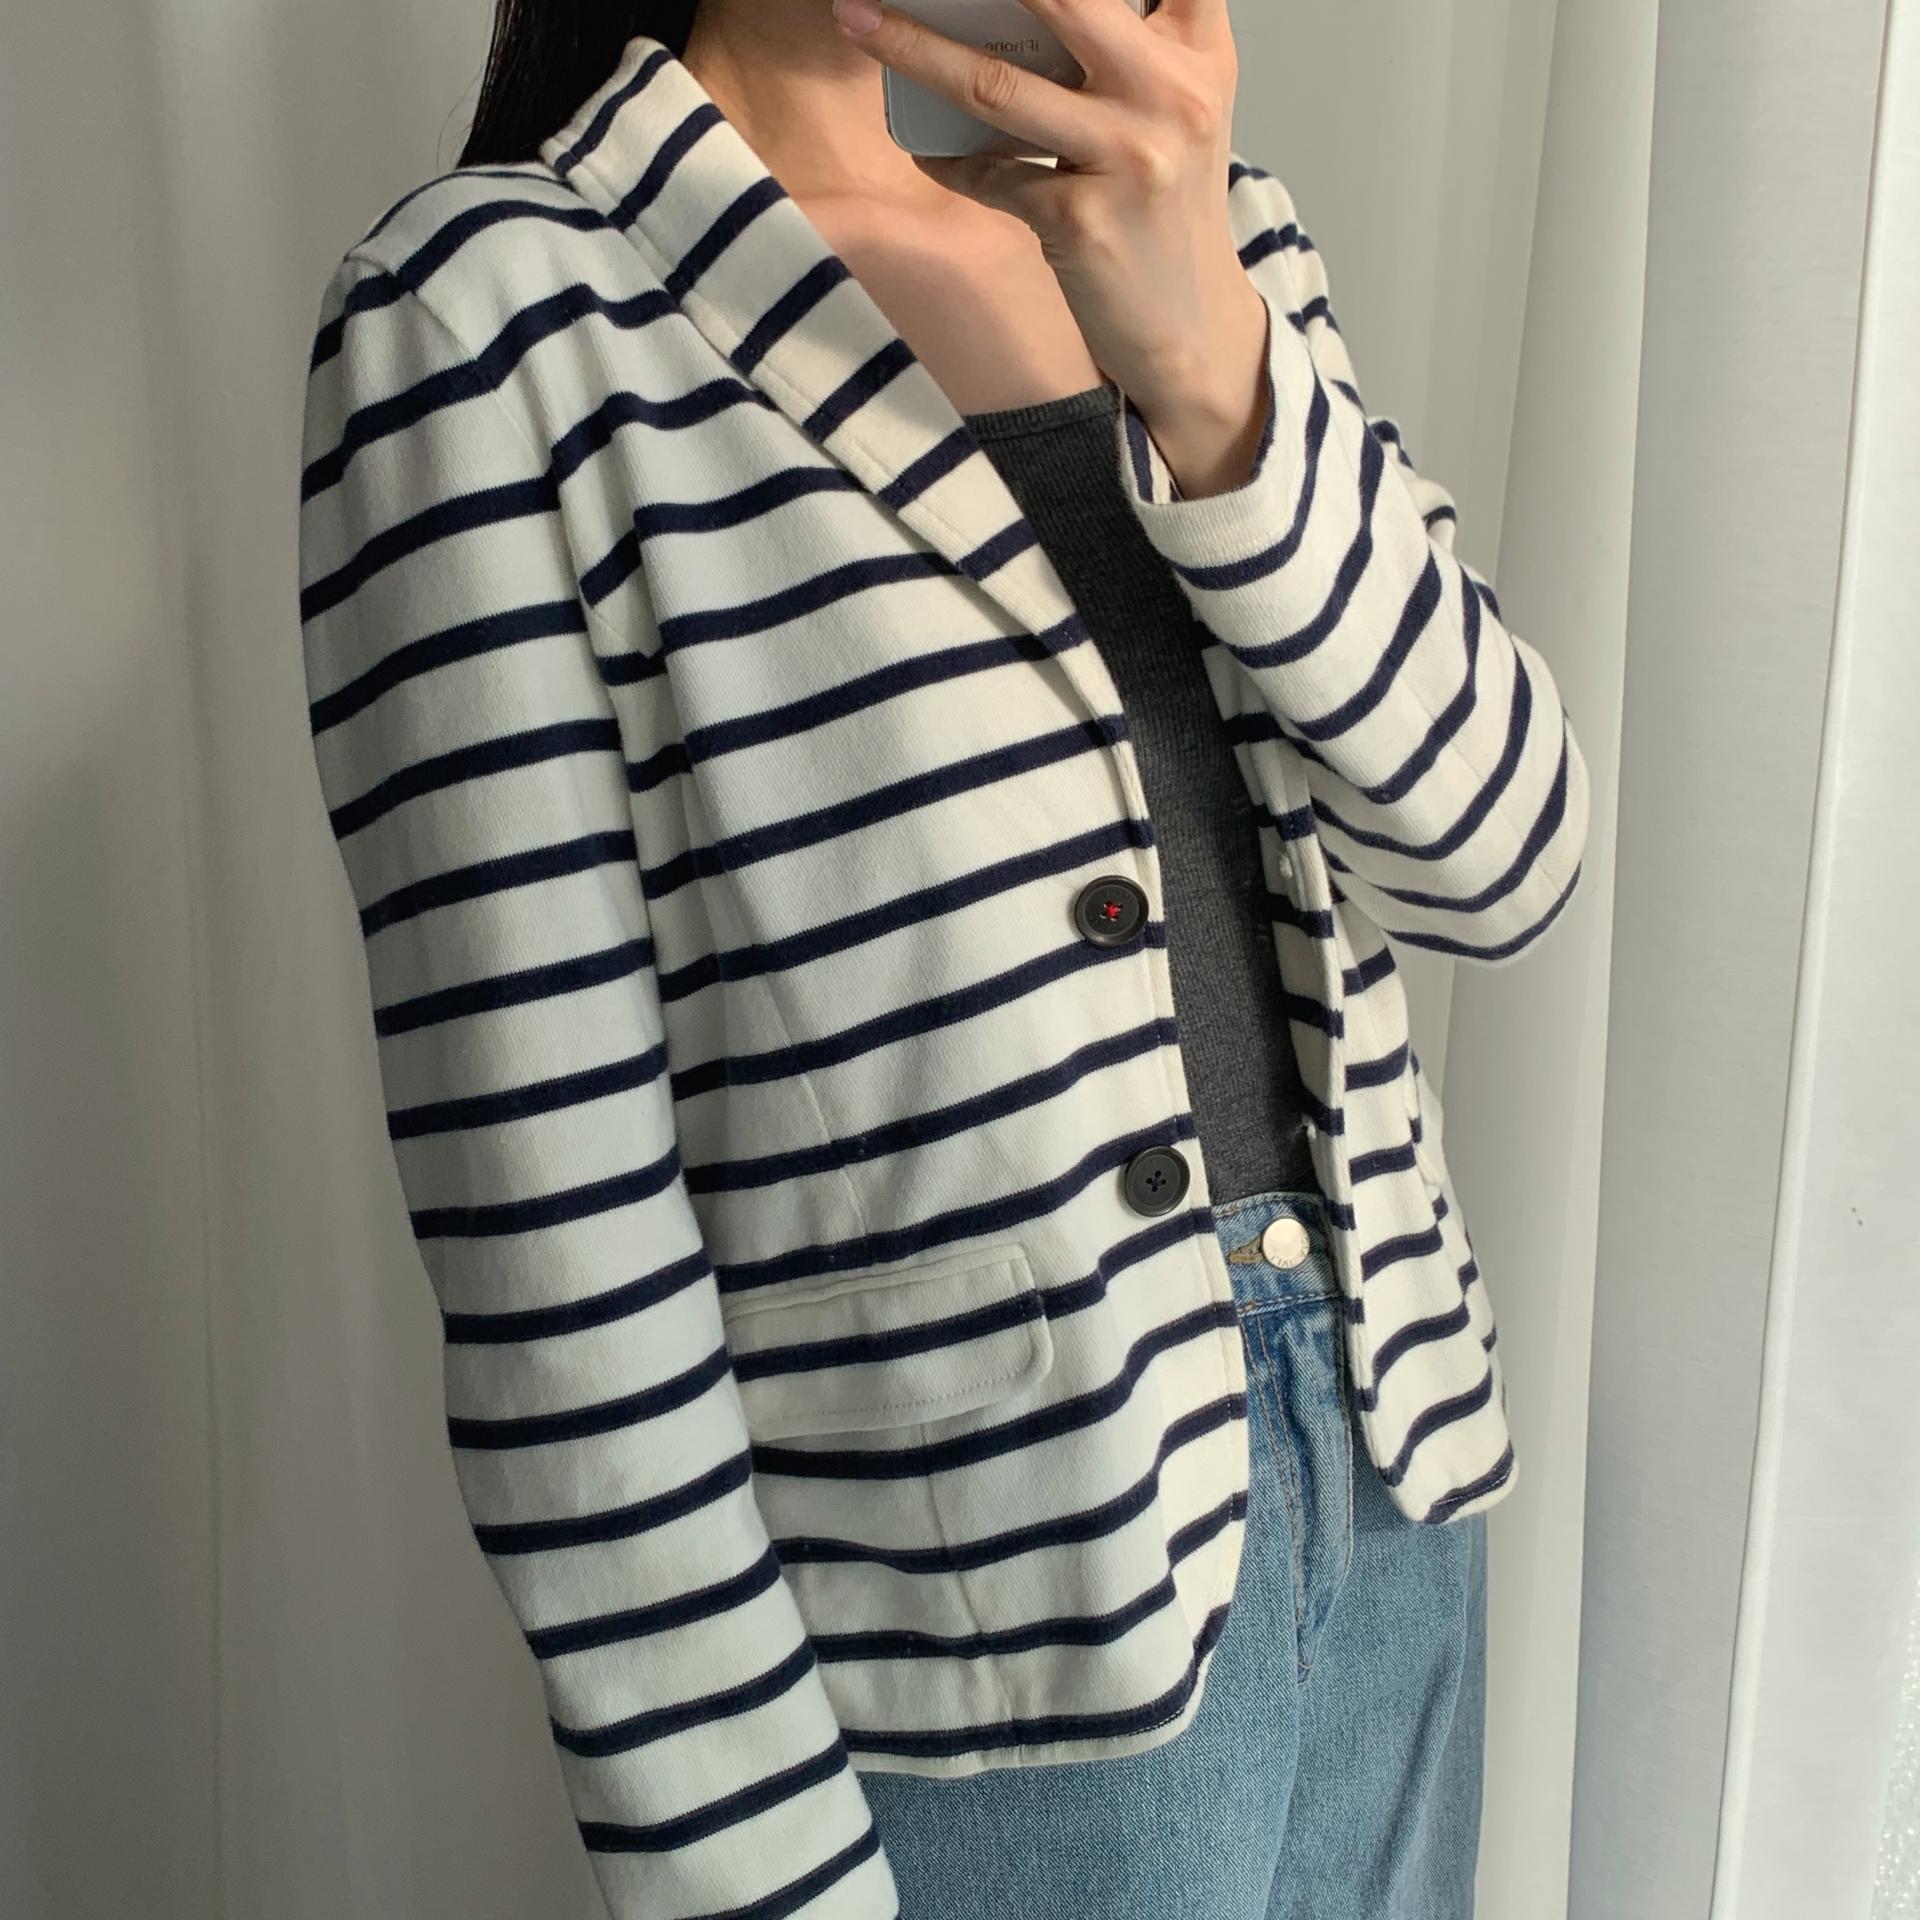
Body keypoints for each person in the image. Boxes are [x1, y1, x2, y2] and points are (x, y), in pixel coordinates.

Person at [295, 3, 1590, 1916]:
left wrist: (1211, 365)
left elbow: (1507, 862)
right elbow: (554, 1234)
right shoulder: (492, 316)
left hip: (1391, 1490)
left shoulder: (1200, 235)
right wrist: (748, 1870)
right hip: (994, 1614)